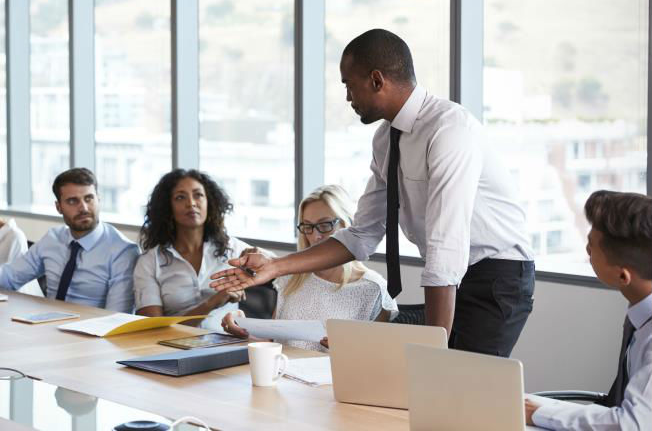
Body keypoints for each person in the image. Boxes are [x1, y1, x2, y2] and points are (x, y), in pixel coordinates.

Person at [211, 29, 535, 357]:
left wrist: (433, 354)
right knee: (431, 385)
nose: (348, 97)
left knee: (460, 383)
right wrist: (277, 265)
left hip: (495, 273)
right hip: (453, 273)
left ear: (377, 80)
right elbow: (361, 235)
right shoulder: (386, 140)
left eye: (349, 85)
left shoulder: (448, 130)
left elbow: (445, 247)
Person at [526, 191, 651, 430]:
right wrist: (544, 409)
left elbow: (633, 424)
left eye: (591, 246)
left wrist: (541, 415)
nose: (587, 251)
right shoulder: (640, 315)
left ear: (622, 275)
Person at [221, 185, 398, 351]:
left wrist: (349, 348)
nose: (315, 235)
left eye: (325, 225)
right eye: (308, 227)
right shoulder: (290, 279)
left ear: (346, 226)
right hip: (285, 376)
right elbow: (274, 344)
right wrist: (243, 328)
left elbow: (379, 357)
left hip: (335, 380)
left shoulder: (373, 289)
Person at [0, 168, 139, 313]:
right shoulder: (53, 239)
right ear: (58, 207)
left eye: (89, 198)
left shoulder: (122, 251)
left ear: (99, 199)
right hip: (49, 325)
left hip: (91, 335)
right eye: (72, 201)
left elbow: (116, 318)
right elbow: (12, 274)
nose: (83, 208)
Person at [134, 169, 254, 330]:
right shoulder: (149, 261)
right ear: (168, 207)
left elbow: (274, 266)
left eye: (198, 195)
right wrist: (212, 303)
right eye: (180, 197)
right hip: (172, 349)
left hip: (227, 345)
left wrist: (259, 256)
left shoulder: (233, 249)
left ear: (209, 202)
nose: (191, 203)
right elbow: (152, 330)